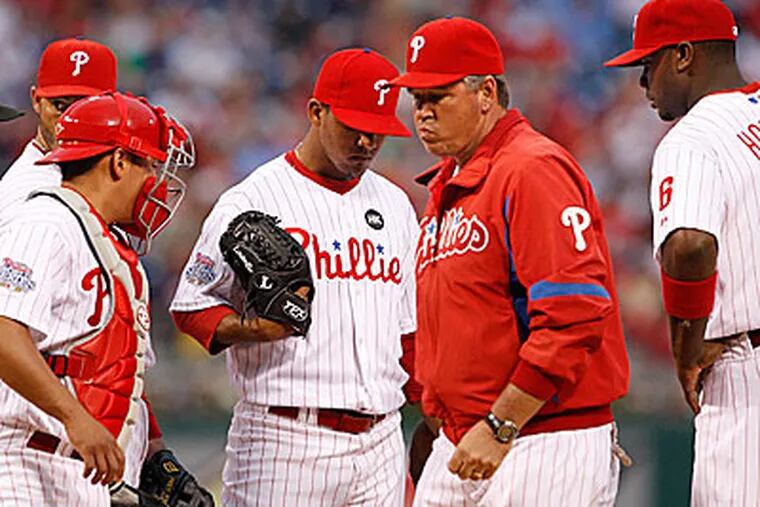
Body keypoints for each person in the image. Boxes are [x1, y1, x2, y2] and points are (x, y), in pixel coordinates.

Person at [390, 17, 630, 506]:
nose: (423, 113)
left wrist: (502, 423)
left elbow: (575, 313)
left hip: (542, 435)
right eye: (417, 99)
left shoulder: (531, 169)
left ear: (486, 93)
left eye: (438, 97)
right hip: (463, 437)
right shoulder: (451, 183)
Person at [170, 47, 420, 506]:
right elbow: (192, 306)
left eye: (378, 131)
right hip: (285, 439)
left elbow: (409, 332)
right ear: (316, 112)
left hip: (382, 438)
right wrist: (252, 329)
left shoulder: (395, 205)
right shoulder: (253, 199)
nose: (366, 142)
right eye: (354, 127)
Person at [0, 91, 199, 506]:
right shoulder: (46, 223)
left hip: (83, 471)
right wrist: (75, 418)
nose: (157, 182)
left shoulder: (106, 240)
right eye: (150, 165)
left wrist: (153, 451)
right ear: (119, 162)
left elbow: (116, 368)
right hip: (26, 463)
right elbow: (4, 334)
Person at [605, 0, 760, 503]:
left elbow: (690, 245)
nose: (642, 82)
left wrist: (685, 346)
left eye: (649, 64)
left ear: (684, 55)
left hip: (747, 376)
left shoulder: (691, 138)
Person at [0, 37, 117, 220]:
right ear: (36, 101)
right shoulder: (30, 194)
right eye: (60, 106)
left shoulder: (97, 178)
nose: (71, 120)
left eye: (87, 108)